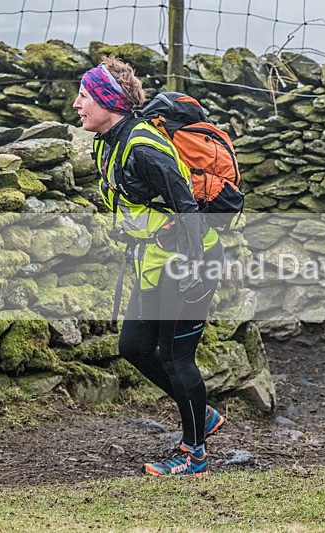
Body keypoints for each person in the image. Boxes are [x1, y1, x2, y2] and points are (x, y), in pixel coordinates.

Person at [74, 55, 225, 476]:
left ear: (108, 100)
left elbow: (188, 207)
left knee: (178, 357)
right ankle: (204, 416)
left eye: (84, 95)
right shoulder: (109, 142)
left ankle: (193, 453)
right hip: (155, 259)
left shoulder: (143, 146)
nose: (76, 104)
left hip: (190, 259)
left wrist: (195, 267)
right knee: (135, 347)